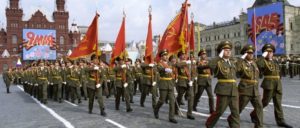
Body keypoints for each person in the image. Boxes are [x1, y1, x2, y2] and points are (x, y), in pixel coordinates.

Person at [250, 44, 293, 128]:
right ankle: (253, 114)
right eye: (267, 52)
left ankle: (280, 121)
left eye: (271, 52)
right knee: (265, 102)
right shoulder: (263, 61)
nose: (270, 53)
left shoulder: (275, 61)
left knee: (278, 103)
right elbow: (257, 64)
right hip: (269, 84)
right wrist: (262, 56)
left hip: (278, 84)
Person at [227, 44, 263, 128]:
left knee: (259, 107)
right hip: (245, 89)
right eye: (248, 53)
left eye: (252, 53)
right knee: (239, 108)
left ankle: (259, 126)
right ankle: (231, 119)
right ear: (245, 54)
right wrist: (241, 58)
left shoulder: (255, 63)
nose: (251, 54)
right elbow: (236, 69)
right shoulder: (241, 63)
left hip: (255, 90)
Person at [205, 41, 239, 128]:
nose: (228, 51)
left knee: (235, 111)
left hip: (234, 90)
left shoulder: (233, 62)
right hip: (223, 90)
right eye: (225, 50)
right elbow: (210, 65)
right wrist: (219, 56)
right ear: (221, 51)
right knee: (219, 111)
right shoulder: (218, 62)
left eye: (229, 50)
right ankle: (209, 124)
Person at [154, 49, 177, 123]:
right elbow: (160, 69)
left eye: (166, 55)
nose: (166, 56)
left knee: (172, 101)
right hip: (163, 84)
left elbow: (174, 69)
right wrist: (167, 69)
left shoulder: (170, 63)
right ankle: (156, 109)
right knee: (162, 100)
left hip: (170, 83)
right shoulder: (159, 64)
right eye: (164, 55)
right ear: (161, 57)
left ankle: (171, 117)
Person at [175, 50, 195, 120]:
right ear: (179, 56)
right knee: (180, 96)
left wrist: (192, 81)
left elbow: (193, 72)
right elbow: (177, 65)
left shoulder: (189, 63)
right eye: (182, 55)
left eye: (184, 54)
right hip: (182, 82)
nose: (184, 56)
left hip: (189, 82)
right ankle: (175, 109)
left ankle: (189, 113)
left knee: (191, 96)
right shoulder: (179, 62)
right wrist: (186, 62)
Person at [193, 49, 215, 114]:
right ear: (200, 56)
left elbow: (211, 70)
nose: (204, 55)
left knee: (211, 96)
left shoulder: (209, 61)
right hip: (202, 80)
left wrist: (211, 73)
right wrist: (209, 65)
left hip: (208, 80)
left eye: (205, 54)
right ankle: (194, 106)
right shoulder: (199, 62)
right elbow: (200, 68)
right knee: (198, 95)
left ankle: (212, 109)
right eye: (202, 54)